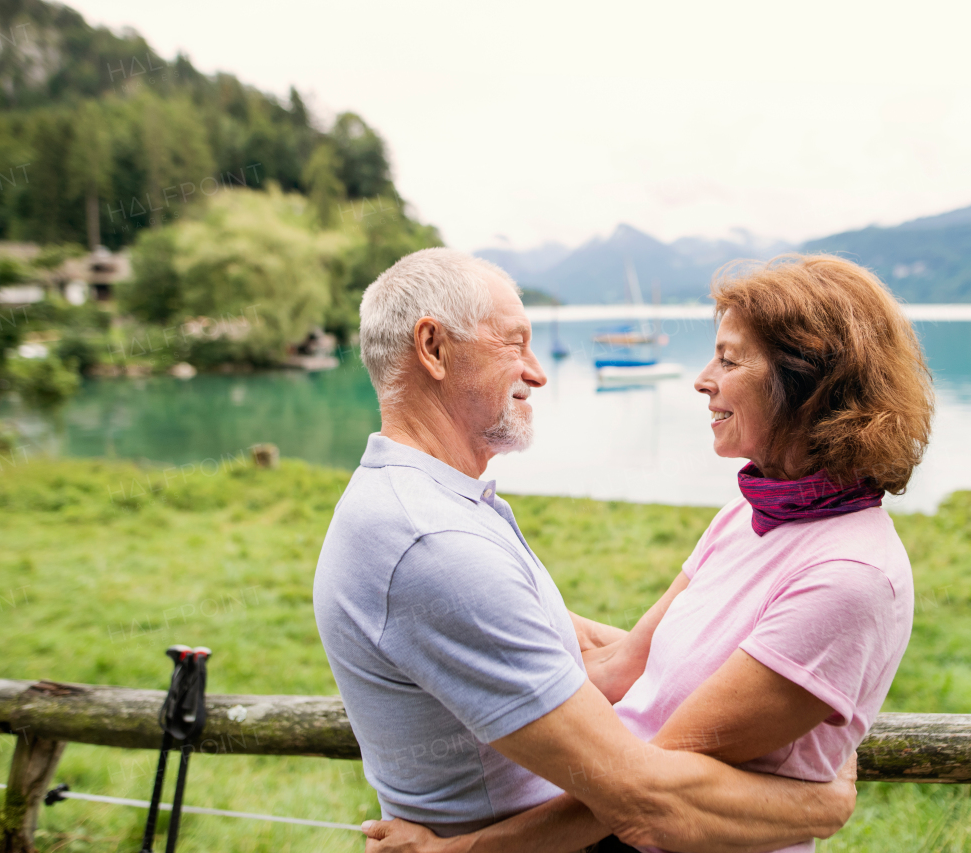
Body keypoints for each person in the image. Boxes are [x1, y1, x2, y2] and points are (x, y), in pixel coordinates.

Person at [360, 254, 934, 853]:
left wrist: (455, 852)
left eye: (730, 359)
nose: (703, 378)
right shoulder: (747, 514)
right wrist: (467, 586)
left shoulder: (849, 578)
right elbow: (626, 666)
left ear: (808, 383)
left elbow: (645, 798)